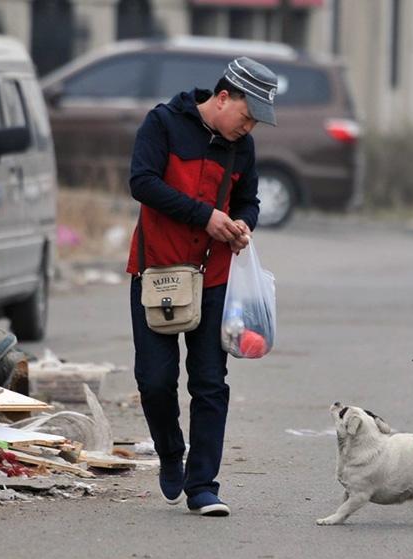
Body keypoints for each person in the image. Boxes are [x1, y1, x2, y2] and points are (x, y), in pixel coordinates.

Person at [126, 57, 278, 516]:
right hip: (158, 271)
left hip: (215, 276)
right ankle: (171, 452)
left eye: (255, 123)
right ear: (223, 97)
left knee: (210, 382)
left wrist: (242, 225)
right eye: (246, 116)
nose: (248, 128)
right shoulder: (163, 124)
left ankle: (203, 485)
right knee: (155, 381)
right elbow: (142, 183)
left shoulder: (241, 146)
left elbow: (249, 199)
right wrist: (205, 217)